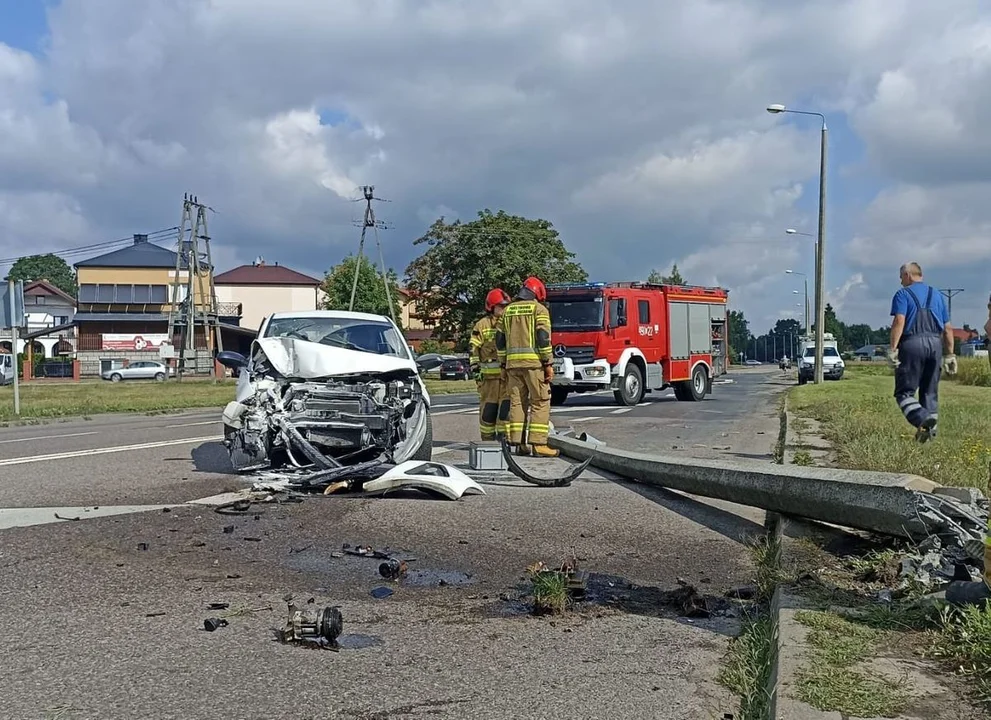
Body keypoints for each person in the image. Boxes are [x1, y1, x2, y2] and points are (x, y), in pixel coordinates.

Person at [887, 262, 957, 443]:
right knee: (929, 392)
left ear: (908, 275)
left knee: (904, 393)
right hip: (935, 345)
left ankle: (921, 418)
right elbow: (948, 329)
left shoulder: (903, 294)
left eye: (901, 276)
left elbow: (899, 322)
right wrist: (950, 354)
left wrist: (893, 349)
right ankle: (928, 437)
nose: (900, 280)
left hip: (912, 344)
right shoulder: (938, 296)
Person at [495, 276, 558, 457]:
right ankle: (539, 445)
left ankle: (519, 443)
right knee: (540, 401)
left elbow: (499, 340)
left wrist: (503, 363)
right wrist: (548, 362)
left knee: (517, 403)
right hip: (534, 364)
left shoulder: (507, 311)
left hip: (512, 366)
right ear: (537, 292)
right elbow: (543, 337)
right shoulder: (539, 310)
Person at [468, 288, 511, 441]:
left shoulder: (511, 323)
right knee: (488, 412)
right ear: (491, 307)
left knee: (505, 412)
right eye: (501, 306)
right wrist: (476, 372)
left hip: (507, 379)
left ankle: (503, 441)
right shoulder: (482, 325)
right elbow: (473, 350)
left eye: (506, 306)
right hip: (489, 380)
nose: (504, 309)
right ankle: (487, 441)